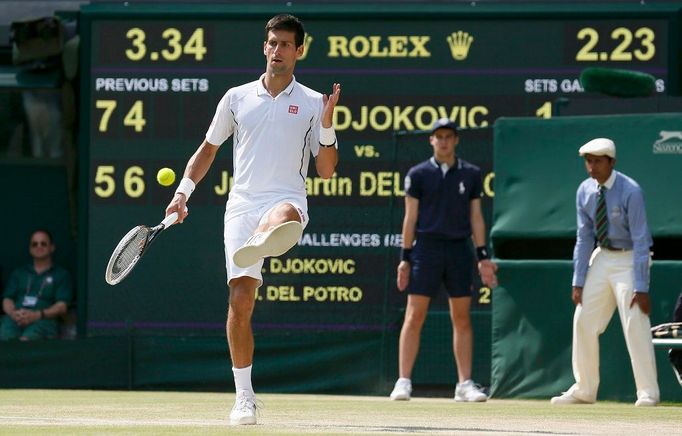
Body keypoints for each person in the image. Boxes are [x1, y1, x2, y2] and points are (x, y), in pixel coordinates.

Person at [164, 14, 340, 425]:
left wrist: (328, 126)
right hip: (241, 206)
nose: (277, 51)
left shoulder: (315, 103)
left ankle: (265, 237)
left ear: (299, 51)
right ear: (265, 47)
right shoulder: (236, 98)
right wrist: (182, 193)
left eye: (285, 45)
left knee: (283, 216)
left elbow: (327, 170)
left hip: (286, 199)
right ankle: (245, 397)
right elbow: (208, 150)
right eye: (272, 43)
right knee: (240, 303)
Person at [389, 118, 498, 402]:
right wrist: (405, 258)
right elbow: (410, 218)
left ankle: (464, 384)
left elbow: (476, 217)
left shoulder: (471, 174)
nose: (444, 141)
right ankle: (403, 381)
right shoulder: (418, 174)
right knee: (414, 315)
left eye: (449, 136)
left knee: (461, 317)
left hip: (459, 250)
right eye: (439, 137)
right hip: (426, 249)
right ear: (432, 141)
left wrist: (482, 255)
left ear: (456, 140)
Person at [551, 138, 659, 407]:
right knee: (583, 320)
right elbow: (584, 237)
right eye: (588, 161)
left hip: (631, 258)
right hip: (602, 258)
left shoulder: (630, 191)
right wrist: (579, 279)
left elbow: (641, 239)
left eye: (598, 161)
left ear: (612, 162)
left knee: (635, 322)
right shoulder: (584, 191)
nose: (592, 167)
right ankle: (584, 389)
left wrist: (641, 286)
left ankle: (648, 393)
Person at [1, 229, 73, 341]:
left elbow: (62, 306)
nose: (39, 246)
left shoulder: (61, 274)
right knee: (5, 338)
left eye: (43, 243)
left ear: (52, 247)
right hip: (16, 318)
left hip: (44, 320)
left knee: (27, 341)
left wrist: (37, 315)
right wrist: (14, 314)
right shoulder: (20, 272)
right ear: (30, 249)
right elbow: (7, 299)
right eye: (34, 244)